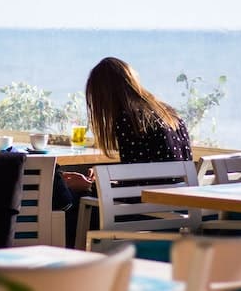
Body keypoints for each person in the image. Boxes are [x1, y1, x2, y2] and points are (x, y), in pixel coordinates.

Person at [55, 56, 193, 246]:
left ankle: (75, 263)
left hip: (149, 214)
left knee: (73, 204)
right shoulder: (169, 114)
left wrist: (88, 187)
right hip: (178, 210)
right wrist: (106, 182)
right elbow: (147, 176)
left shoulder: (130, 121)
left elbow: (133, 193)